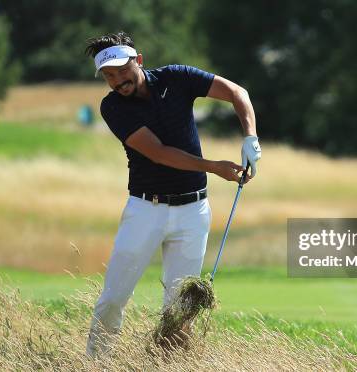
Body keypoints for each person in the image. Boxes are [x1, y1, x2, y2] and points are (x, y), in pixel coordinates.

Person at [83, 31, 261, 357]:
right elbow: (159, 153)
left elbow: (238, 92)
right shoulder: (113, 107)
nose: (117, 80)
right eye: (109, 75)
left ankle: (171, 363)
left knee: (180, 308)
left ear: (138, 61)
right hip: (145, 209)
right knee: (113, 298)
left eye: (122, 70)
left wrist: (250, 137)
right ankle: (95, 362)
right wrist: (213, 166)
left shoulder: (177, 78)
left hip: (193, 212)